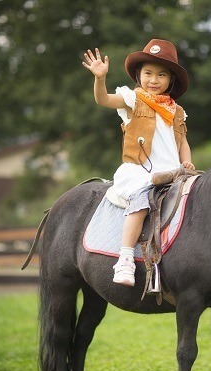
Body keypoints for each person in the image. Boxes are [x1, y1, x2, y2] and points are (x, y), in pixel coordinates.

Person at [82, 38, 195, 287]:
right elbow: (103, 100)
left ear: (170, 80)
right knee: (142, 200)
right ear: (139, 75)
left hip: (173, 173)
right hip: (141, 172)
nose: (154, 80)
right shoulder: (133, 100)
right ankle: (124, 257)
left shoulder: (176, 111)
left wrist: (187, 163)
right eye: (148, 73)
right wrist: (99, 79)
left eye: (161, 75)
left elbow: (183, 142)